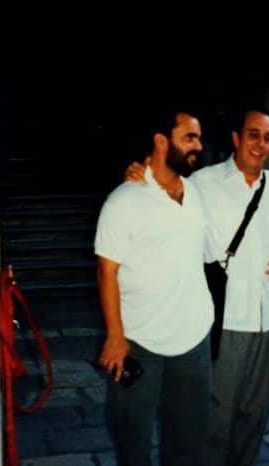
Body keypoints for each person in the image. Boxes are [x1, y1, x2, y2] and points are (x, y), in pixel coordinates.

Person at [124, 106, 269, 466]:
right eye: (253, 135)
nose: (260, 144)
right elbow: (160, 205)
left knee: (254, 417)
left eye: (268, 138)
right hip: (223, 322)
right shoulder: (202, 183)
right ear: (236, 138)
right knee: (213, 420)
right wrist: (140, 179)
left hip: (268, 323)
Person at [94, 110, 213, 466]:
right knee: (133, 444)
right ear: (161, 141)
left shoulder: (197, 191)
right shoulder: (124, 200)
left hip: (193, 340)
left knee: (189, 446)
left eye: (199, 138)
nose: (198, 146)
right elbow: (106, 271)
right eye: (189, 137)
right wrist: (115, 336)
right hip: (139, 344)